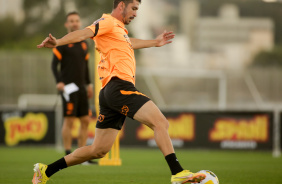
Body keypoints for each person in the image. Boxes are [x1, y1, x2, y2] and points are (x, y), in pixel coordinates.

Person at [33, 0, 206, 184]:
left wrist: (155, 42)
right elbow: (84, 32)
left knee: (97, 150)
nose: (136, 13)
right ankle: (177, 172)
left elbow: (129, 43)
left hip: (109, 92)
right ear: (121, 5)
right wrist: (58, 41)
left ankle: (46, 171)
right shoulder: (106, 22)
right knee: (160, 122)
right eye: (134, 8)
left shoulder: (119, 30)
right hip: (119, 87)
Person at [51, 12, 95, 164]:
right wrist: (59, 82)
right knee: (69, 121)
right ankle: (68, 154)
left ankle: (81, 156)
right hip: (68, 88)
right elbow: (53, 65)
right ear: (67, 24)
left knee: (85, 120)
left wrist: (89, 84)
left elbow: (86, 67)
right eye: (71, 21)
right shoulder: (62, 43)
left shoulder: (84, 43)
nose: (75, 23)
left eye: (77, 20)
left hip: (82, 88)